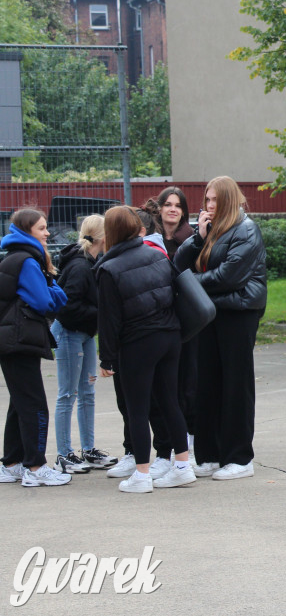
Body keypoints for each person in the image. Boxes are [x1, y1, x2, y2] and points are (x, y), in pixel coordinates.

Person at [174, 176, 267, 479]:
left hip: (238, 312)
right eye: (207, 200)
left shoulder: (246, 229)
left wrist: (188, 285)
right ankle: (210, 455)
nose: (210, 206)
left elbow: (229, 276)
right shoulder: (211, 230)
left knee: (235, 385)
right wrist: (198, 238)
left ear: (229, 199)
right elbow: (180, 261)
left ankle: (239, 458)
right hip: (212, 313)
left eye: (215, 200)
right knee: (207, 384)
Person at [96, 206, 194, 493]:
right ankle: (182, 466)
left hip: (138, 342)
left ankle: (141, 474)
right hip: (170, 336)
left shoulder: (108, 268)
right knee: (169, 401)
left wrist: (107, 357)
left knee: (137, 409)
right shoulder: (157, 254)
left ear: (111, 232)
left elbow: (109, 319)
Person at [0, 209, 69, 487]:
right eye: (42, 228)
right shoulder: (28, 262)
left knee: (19, 403)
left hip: (11, 341)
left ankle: (13, 463)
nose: (48, 233)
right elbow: (45, 302)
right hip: (20, 341)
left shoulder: (12, 258)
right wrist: (54, 289)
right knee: (35, 406)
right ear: (27, 231)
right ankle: (36, 467)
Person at [52, 214, 116, 474]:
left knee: (87, 393)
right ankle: (64, 454)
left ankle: (88, 449)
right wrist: (100, 312)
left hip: (86, 334)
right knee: (68, 394)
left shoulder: (92, 261)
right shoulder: (79, 266)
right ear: (103, 237)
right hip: (70, 334)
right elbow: (67, 308)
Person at [148, 188, 200, 458]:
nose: (172, 209)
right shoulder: (148, 240)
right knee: (161, 386)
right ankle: (165, 443)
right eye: (167, 204)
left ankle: (189, 436)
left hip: (186, 318)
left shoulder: (191, 239)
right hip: (157, 319)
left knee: (188, 380)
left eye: (178, 206)